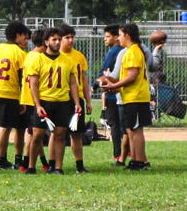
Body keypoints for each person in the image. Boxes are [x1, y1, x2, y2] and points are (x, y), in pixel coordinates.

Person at [26, 27, 82, 174]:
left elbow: (73, 83)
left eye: (59, 39)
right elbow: (33, 84)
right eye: (54, 40)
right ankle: (31, 167)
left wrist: (76, 102)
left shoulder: (67, 60)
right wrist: (37, 105)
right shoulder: (38, 59)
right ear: (46, 42)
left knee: (60, 135)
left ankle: (58, 167)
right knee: (37, 135)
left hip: (62, 102)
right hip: (44, 101)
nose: (57, 42)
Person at [100, 23, 151, 171]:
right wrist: (114, 86)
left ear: (127, 36)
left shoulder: (132, 52)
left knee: (136, 130)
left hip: (135, 97)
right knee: (132, 129)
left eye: (121, 35)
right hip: (131, 96)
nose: (119, 38)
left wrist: (114, 86)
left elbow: (132, 76)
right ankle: (135, 160)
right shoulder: (131, 51)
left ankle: (139, 161)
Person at [0, 21, 31, 170]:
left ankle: (11, 160)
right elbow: (22, 78)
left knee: (12, 127)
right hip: (11, 94)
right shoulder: (20, 54)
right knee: (8, 127)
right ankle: (2, 160)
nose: (26, 41)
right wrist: (23, 99)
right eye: (25, 37)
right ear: (17, 35)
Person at [59, 24, 92, 173]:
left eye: (72, 37)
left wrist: (88, 100)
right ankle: (56, 165)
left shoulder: (79, 56)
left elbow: (84, 79)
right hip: (60, 98)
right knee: (58, 133)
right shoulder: (56, 56)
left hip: (76, 99)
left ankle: (80, 165)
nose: (71, 40)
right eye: (67, 37)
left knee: (76, 133)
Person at [18, 28, 49, 172]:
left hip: (28, 98)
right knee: (34, 135)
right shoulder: (38, 57)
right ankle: (26, 164)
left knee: (35, 134)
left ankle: (43, 162)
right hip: (33, 100)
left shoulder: (30, 54)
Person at [99, 24, 126, 166]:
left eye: (108, 36)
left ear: (117, 37)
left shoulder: (114, 51)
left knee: (114, 125)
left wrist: (95, 83)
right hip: (123, 93)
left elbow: (105, 71)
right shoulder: (127, 50)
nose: (105, 39)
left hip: (112, 93)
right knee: (126, 127)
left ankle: (117, 154)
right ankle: (128, 152)